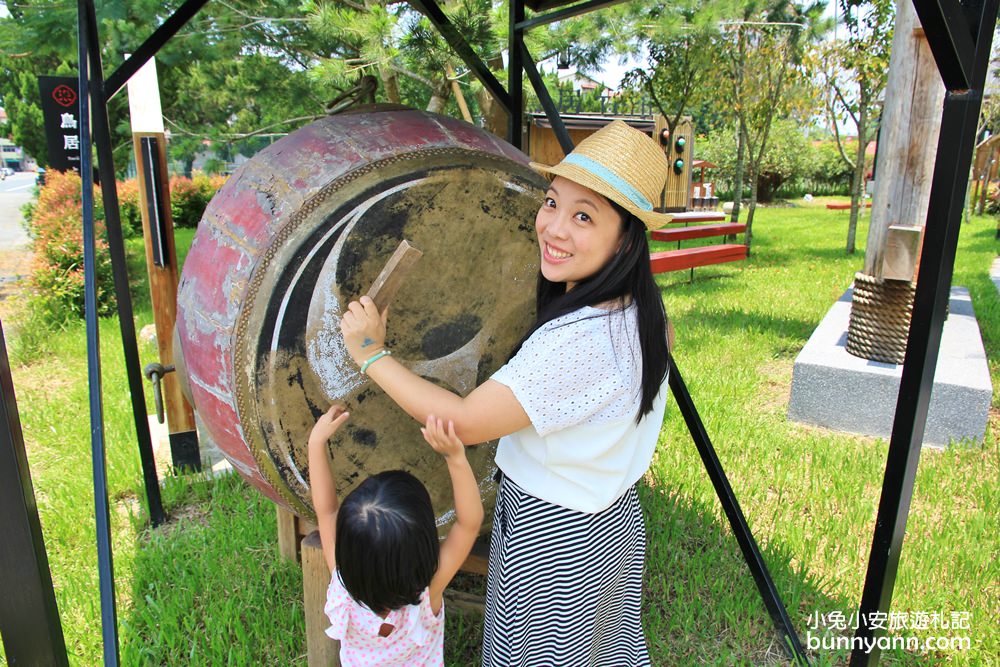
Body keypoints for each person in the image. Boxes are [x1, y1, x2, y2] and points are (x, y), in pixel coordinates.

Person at [339, 120, 673, 666]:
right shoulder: (647, 317)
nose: (554, 228)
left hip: (556, 537)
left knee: (537, 653)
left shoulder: (582, 343)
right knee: (601, 651)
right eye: (552, 203)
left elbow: (464, 422)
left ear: (626, 239)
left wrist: (370, 353)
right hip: (613, 518)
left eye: (583, 216)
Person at [308, 405, 484, 666]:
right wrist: (455, 458)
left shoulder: (342, 585)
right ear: (423, 550)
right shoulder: (426, 597)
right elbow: (469, 523)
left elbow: (327, 511)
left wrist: (315, 443)